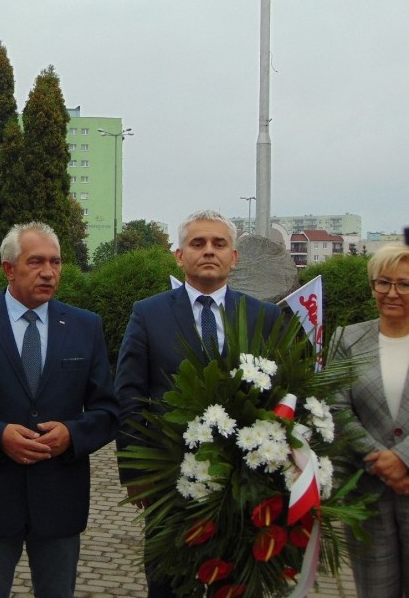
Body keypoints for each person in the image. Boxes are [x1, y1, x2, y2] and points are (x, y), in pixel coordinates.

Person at [0, 222, 118, 597]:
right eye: (36, 262)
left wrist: (72, 434)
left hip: (60, 496)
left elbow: (107, 409)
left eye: (56, 262)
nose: (49, 272)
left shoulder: (85, 326)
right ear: (8, 268)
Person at [114, 209, 282, 598]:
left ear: (234, 258)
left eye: (219, 244)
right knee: (168, 584)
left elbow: (283, 395)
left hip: (244, 483)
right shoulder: (148, 314)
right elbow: (129, 395)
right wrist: (136, 474)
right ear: (179, 255)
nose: (209, 251)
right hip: (168, 481)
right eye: (198, 243)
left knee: (236, 586)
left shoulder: (265, 317)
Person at [331, 243, 409, 598]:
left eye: (405, 284)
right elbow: (335, 407)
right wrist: (382, 460)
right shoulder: (347, 339)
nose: (392, 293)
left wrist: (403, 458)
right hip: (366, 492)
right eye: (383, 283)